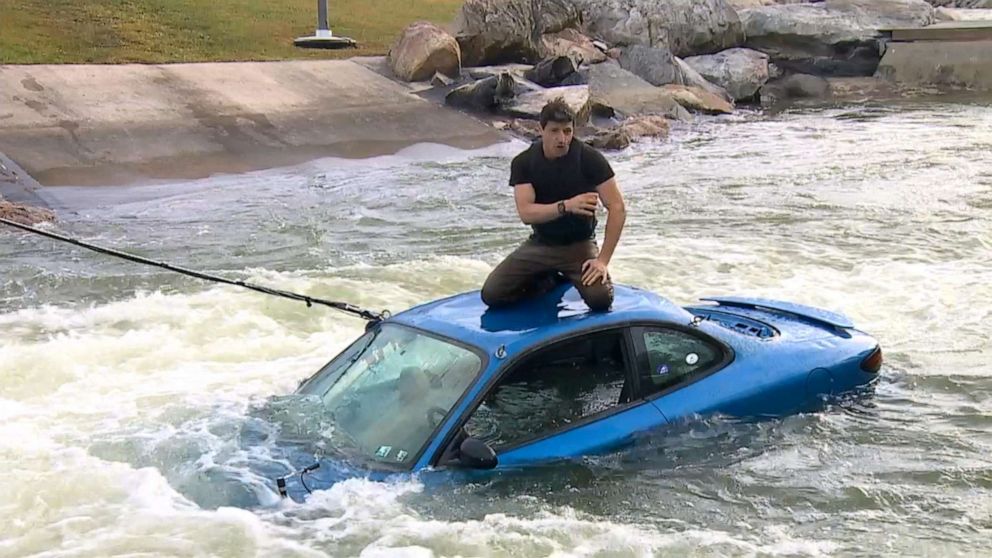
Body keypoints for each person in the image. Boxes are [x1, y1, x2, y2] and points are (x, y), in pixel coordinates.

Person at [481, 97, 626, 311]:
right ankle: (548, 280)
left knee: (600, 300)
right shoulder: (524, 163)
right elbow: (526, 213)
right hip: (541, 244)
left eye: (567, 131)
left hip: (579, 246)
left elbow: (617, 207)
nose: (562, 139)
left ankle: (567, 275)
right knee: (492, 294)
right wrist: (566, 206)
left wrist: (602, 260)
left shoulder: (589, 159)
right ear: (541, 129)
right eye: (555, 131)